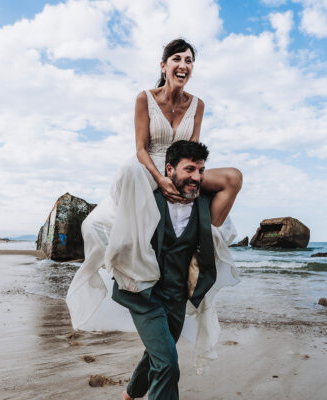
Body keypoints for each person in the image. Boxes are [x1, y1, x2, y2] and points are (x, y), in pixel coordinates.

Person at [66, 38, 241, 376]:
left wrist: (190, 180)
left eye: (189, 60)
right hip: (152, 170)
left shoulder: (198, 104)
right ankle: (143, 266)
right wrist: (161, 180)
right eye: (177, 58)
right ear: (164, 66)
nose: (184, 65)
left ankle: (204, 230)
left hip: (181, 168)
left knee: (233, 177)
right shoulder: (144, 98)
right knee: (128, 176)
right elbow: (141, 149)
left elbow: (194, 150)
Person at [115, 140, 219, 400]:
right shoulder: (146, 200)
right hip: (144, 294)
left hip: (176, 296)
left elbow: (234, 178)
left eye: (202, 170)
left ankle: (129, 395)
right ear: (169, 169)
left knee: (158, 353)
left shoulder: (205, 204)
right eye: (190, 169)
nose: (197, 177)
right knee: (168, 365)